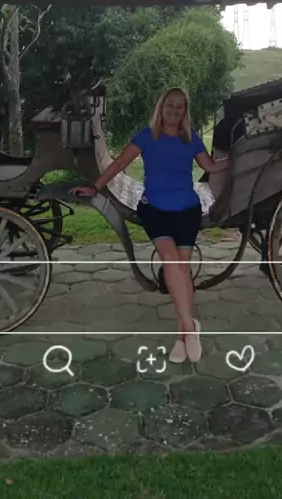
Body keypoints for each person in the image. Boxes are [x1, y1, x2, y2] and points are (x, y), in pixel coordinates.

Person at [69, 87, 229, 364]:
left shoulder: (191, 138)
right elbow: (119, 163)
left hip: (187, 209)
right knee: (171, 262)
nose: (174, 110)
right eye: (170, 105)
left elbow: (211, 167)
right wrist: (94, 187)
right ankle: (190, 327)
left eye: (180, 106)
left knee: (182, 268)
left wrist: (239, 157)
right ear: (161, 108)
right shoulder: (147, 136)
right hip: (155, 208)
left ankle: (182, 336)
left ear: (185, 111)